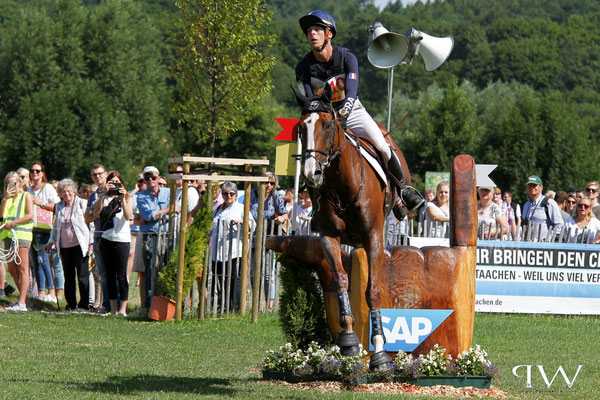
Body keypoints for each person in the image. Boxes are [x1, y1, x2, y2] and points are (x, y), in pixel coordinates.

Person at [295, 10, 423, 214]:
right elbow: (312, 102)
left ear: (329, 34)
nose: (312, 34)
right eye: (310, 30)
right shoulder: (303, 67)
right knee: (311, 158)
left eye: (317, 29)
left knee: (382, 145)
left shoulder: (347, 58)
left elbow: (351, 92)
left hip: (352, 112)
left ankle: (402, 192)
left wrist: (343, 115)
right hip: (325, 119)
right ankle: (318, 209)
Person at [88, 171, 132, 316]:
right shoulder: (104, 198)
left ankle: (123, 309)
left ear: (122, 184)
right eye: (111, 182)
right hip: (106, 239)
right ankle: (113, 309)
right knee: (110, 275)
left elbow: (128, 215)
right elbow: (96, 213)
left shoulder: (127, 197)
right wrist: (103, 194)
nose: (114, 185)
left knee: (122, 276)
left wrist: (123, 197)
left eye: (117, 182)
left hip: (122, 240)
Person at [46, 179, 91, 312]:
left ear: (74, 191)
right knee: (69, 277)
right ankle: (71, 304)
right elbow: (55, 227)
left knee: (82, 276)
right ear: (60, 193)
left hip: (80, 245)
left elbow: (91, 224)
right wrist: (50, 242)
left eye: (69, 191)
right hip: (65, 247)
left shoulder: (82, 203)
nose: (67, 194)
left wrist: (91, 243)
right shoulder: (59, 206)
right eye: (63, 191)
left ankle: (84, 305)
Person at [210, 182, 255, 311]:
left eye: (231, 193)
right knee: (220, 280)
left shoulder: (241, 208)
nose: (228, 196)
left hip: (234, 252)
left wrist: (243, 223)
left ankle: (235, 308)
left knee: (234, 281)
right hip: (217, 252)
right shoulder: (218, 208)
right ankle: (224, 306)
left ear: (235, 194)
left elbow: (252, 225)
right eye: (225, 193)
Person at [137, 166, 174, 309]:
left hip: (168, 236)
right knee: (151, 272)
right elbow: (148, 216)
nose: (150, 180)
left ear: (158, 178)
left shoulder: (169, 192)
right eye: (147, 177)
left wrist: (159, 213)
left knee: (167, 270)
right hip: (150, 238)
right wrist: (168, 209)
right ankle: (149, 306)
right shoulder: (141, 196)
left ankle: (166, 305)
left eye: (153, 177)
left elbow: (177, 210)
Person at [27, 161, 61, 302]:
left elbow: (58, 206)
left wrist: (41, 203)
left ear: (42, 174)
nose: (35, 173)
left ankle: (51, 292)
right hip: (31, 229)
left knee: (45, 260)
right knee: (36, 261)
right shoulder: (28, 190)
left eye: (38, 171)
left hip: (45, 228)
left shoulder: (47, 188)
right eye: (32, 170)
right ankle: (41, 291)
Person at [0, 172, 34, 312]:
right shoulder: (6, 198)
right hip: (7, 235)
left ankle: (22, 302)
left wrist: (13, 223)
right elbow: (1, 215)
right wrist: (5, 199)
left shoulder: (26, 195)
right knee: (12, 269)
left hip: (21, 235)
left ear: (19, 183)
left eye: (14, 183)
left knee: (22, 268)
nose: (11, 186)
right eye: (8, 183)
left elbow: (30, 215)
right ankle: (23, 299)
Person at [84, 164, 112, 313]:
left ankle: (115, 305)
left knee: (115, 274)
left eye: (100, 174)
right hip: (99, 237)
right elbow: (88, 218)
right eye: (94, 175)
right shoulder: (93, 196)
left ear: (106, 174)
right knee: (101, 274)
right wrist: (96, 213)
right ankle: (103, 305)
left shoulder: (113, 191)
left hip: (114, 238)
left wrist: (96, 212)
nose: (98, 177)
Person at [522, 175, 564, 241]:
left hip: (545, 246)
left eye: (534, 185)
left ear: (541, 187)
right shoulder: (526, 205)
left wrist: (547, 238)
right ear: (526, 188)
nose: (532, 188)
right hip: (528, 245)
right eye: (529, 185)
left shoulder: (549, 203)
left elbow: (560, 225)